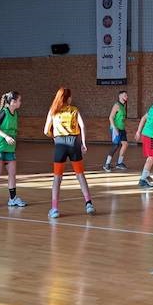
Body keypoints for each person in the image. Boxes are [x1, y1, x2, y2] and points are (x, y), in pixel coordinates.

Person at [44, 87, 95, 219]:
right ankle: (89, 204)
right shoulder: (74, 110)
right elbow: (82, 126)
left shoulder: (53, 111)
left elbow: (46, 131)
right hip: (74, 143)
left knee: (57, 178)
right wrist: (83, 143)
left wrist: (54, 136)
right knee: (80, 175)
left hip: (60, 144)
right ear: (69, 98)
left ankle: (55, 209)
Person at [0, 91, 27, 209]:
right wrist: (6, 137)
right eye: (19, 100)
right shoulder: (3, 112)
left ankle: (12, 199)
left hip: (9, 147)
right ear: (13, 102)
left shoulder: (15, 113)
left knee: (12, 173)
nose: (20, 102)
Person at [102, 91, 129, 172]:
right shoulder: (116, 105)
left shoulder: (123, 106)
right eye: (125, 95)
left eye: (127, 95)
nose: (126, 96)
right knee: (115, 145)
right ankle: (107, 164)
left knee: (125, 144)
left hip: (122, 128)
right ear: (120, 96)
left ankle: (119, 163)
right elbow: (110, 117)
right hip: (116, 128)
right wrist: (114, 128)